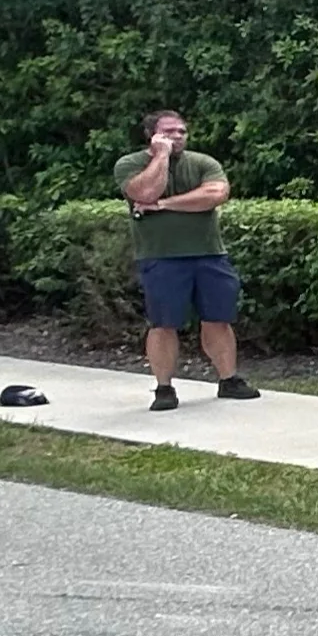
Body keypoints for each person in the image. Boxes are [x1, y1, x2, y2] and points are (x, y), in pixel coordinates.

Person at [113, 109, 260, 412]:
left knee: (218, 319)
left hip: (209, 254)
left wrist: (163, 204)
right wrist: (161, 157)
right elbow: (145, 190)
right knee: (163, 323)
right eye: (169, 132)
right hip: (161, 257)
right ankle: (164, 388)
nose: (177, 137)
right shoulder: (130, 164)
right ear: (152, 135)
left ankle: (228, 380)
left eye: (181, 131)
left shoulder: (203, 162)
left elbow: (216, 194)